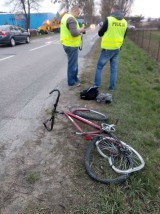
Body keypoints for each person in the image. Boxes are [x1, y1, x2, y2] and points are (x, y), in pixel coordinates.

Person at [93, 4, 127, 91]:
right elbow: (124, 36)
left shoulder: (109, 19)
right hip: (117, 48)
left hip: (107, 48)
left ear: (113, 10)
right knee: (114, 69)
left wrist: (101, 28)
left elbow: (100, 33)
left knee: (99, 67)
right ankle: (111, 88)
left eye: (112, 10)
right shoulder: (125, 22)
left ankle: (96, 86)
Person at [60, 6, 86, 88]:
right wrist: (81, 30)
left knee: (73, 63)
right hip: (71, 45)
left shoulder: (65, 17)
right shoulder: (71, 19)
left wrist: (80, 30)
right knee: (72, 64)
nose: (78, 15)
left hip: (67, 44)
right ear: (74, 11)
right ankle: (71, 82)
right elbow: (74, 33)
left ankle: (75, 78)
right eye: (78, 13)